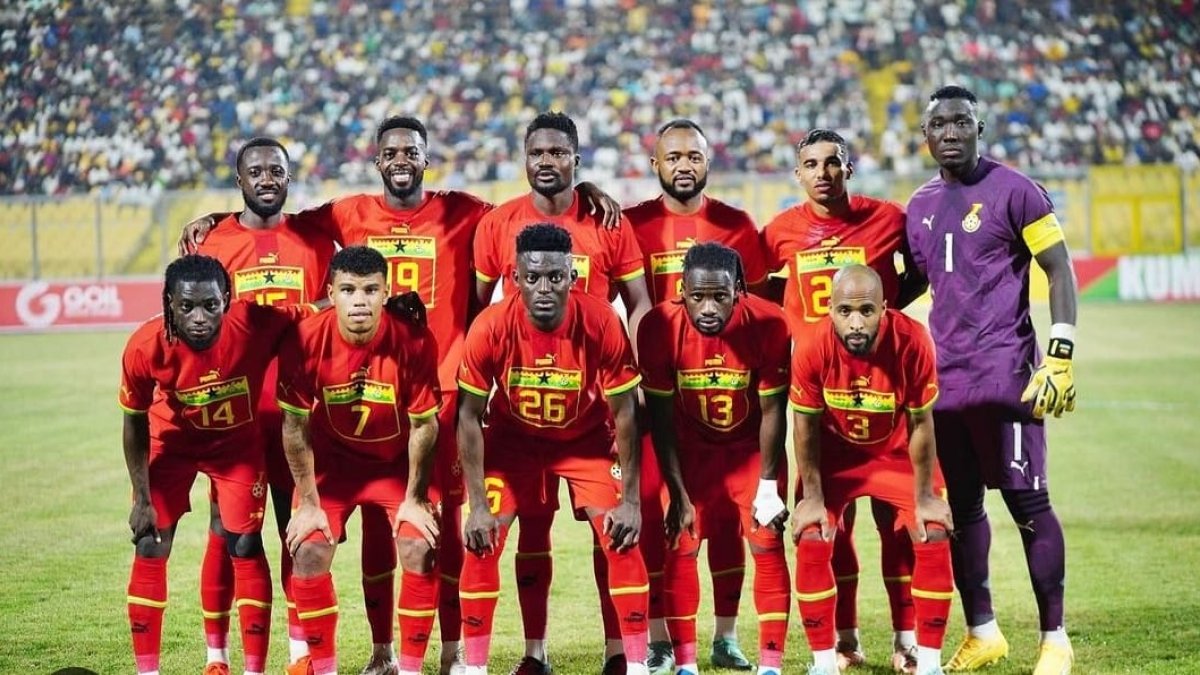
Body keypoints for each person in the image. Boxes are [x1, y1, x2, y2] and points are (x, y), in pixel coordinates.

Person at [181, 116, 623, 675]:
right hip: (378, 392)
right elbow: (272, 213)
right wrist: (218, 219)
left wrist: (581, 191)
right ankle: (382, 651)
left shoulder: (463, 211)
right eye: (390, 152)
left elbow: (533, 211)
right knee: (375, 526)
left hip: (443, 393)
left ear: (425, 157)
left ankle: (455, 652)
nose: (400, 160)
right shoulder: (348, 214)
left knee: (448, 526)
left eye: (410, 152)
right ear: (377, 160)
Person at [905, 85, 1079, 674]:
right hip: (945, 387)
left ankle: (1054, 638)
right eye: (938, 125)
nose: (949, 132)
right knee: (963, 511)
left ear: (980, 128)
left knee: (1029, 505)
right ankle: (984, 632)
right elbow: (915, 286)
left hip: (1007, 379)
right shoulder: (920, 204)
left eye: (961, 122)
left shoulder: (1017, 191)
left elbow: (1059, 269)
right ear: (924, 136)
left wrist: (1060, 350)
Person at [472, 112, 653, 675]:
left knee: (614, 531)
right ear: (524, 158)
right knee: (527, 528)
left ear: (576, 157)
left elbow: (640, 300)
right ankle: (533, 654)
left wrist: (635, 373)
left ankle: (624, 655)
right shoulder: (497, 222)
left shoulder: (607, 220)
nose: (546, 161)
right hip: (520, 409)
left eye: (558, 152)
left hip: (590, 408)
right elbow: (481, 307)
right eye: (537, 152)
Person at [762, 128, 927, 672]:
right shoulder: (780, 231)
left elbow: (918, 272)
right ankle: (845, 638)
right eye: (812, 164)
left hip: (878, 386)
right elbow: (758, 287)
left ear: (849, 168)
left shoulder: (888, 219)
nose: (823, 172)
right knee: (834, 524)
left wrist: (887, 311)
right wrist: (795, 332)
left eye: (834, 162)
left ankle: (906, 640)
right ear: (799, 173)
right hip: (815, 393)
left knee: (895, 524)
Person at [623, 119, 772, 674]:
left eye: (693, 155)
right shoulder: (632, 223)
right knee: (663, 521)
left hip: (727, 397)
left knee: (729, 525)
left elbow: (758, 309)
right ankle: (662, 639)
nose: (683, 165)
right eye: (673, 156)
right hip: (658, 397)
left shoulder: (737, 225)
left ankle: (726, 636)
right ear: (655, 163)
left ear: (708, 161)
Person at [119, 254, 311, 675]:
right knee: (151, 541)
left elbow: (317, 313)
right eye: (186, 306)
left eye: (210, 305)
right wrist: (141, 497)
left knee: (244, 544)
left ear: (227, 298)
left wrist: (388, 310)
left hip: (235, 449)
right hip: (172, 443)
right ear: (169, 302)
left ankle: (253, 670)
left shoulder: (256, 321)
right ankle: (147, 672)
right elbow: (132, 423)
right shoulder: (144, 345)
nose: (199, 318)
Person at [194, 137, 336, 673]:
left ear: (289, 176)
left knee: (295, 524)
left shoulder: (316, 240)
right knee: (230, 530)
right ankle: (218, 656)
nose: (267, 178)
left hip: (301, 410)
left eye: (276, 170)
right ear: (240, 180)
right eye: (256, 170)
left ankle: (300, 652)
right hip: (238, 411)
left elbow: (336, 309)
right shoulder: (214, 245)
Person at [276, 245, 443, 675]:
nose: (360, 300)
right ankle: (324, 669)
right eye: (348, 290)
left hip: (396, 469)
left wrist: (414, 499)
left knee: (418, 544)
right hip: (334, 468)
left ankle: (408, 669)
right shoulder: (304, 340)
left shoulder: (414, 340)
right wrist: (310, 503)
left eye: (371, 290)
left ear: (386, 292)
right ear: (330, 293)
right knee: (308, 550)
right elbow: (294, 427)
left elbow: (425, 426)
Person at [789, 264, 955, 675]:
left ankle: (922, 657)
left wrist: (925, 497)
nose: (856, 322)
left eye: (866, 310)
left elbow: (921, 422)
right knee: (815, 536)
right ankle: (827, 659)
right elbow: (804, 425)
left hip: (896, 454)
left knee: (929, 531)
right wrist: (811, 498)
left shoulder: (912, 341)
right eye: (845, 311)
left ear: (885, 308)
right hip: (836, 458)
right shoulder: (811, 345)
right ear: (830, 310)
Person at [637, 242, 791, 675]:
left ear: (738, 289)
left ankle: (771, 665)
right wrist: (677, 491)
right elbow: (662, 420)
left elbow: (774, 411)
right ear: (680, 291)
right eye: (697, 295)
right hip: (689, 452)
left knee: (767, 542)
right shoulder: (657, 326)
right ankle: (686, 664)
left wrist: (768, 487)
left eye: (719, 296)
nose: (707, 307)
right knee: (680, 544)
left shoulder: (770, 322)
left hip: (748, 453)